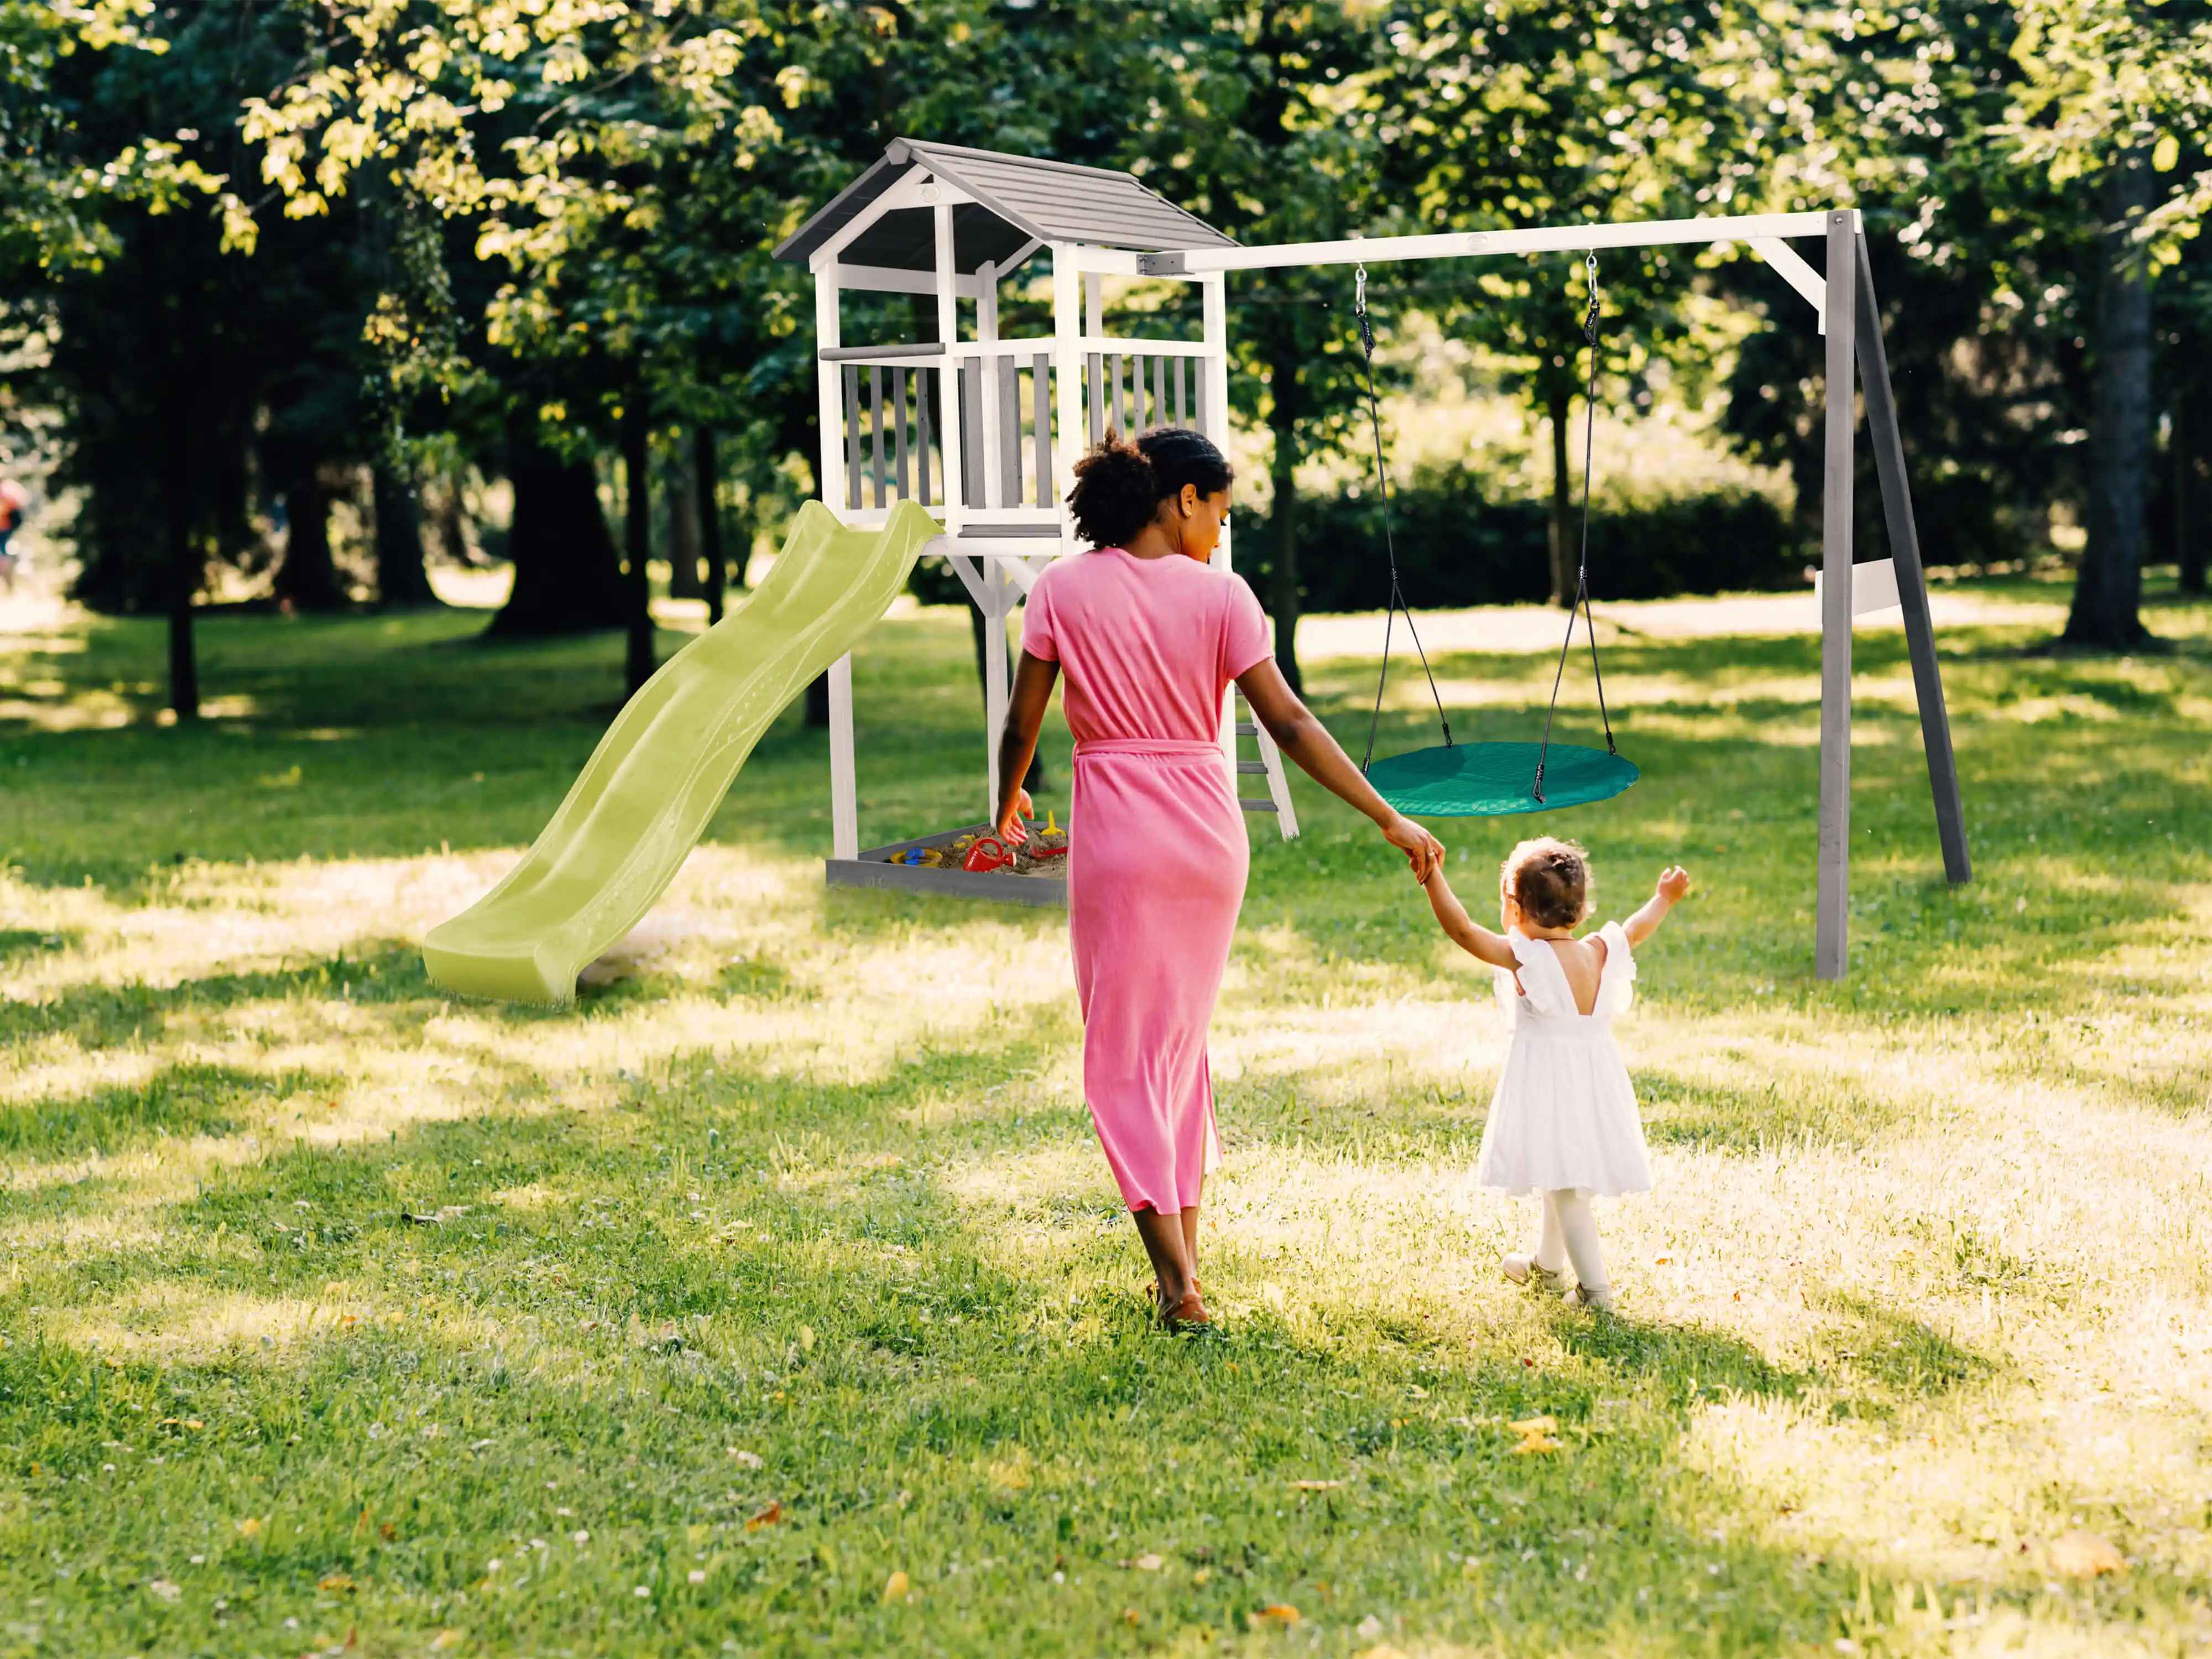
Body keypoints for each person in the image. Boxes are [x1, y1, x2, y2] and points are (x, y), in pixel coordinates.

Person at [994, 427, 1444, 1331]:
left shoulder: (1060, 589)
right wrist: (1385, 813)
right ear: (1183, 499)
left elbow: (1022, 724)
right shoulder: (1224, 598)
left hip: (1120, 838)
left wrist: (1003, 807)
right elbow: (1290, 723)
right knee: (1176, 1051)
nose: (1221, 535)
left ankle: (1175, 1285)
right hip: (1207, 839)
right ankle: (1184, 1270)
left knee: (1124, 1059)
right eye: (1221, 514)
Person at [1418, 838, 1691, 1311]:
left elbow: (1462, 931)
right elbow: (1636, 928)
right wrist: (1663, 898)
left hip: (1550, 1085)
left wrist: (1432, 876)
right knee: (1556, 1170)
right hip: (1593, 1081)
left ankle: (1596, 1292)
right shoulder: (1599, 950)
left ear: (1516, 909)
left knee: (1566, 1188)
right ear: (1581, 910)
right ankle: (1547, 1267)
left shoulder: (1527, 958)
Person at [0, 478, 27, 593]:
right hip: (6, 527)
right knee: (4, 552)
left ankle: (8, 580)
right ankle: (8, 582)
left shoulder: (4, 493)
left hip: (4, 527)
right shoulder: (8, 490)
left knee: (3, 553)